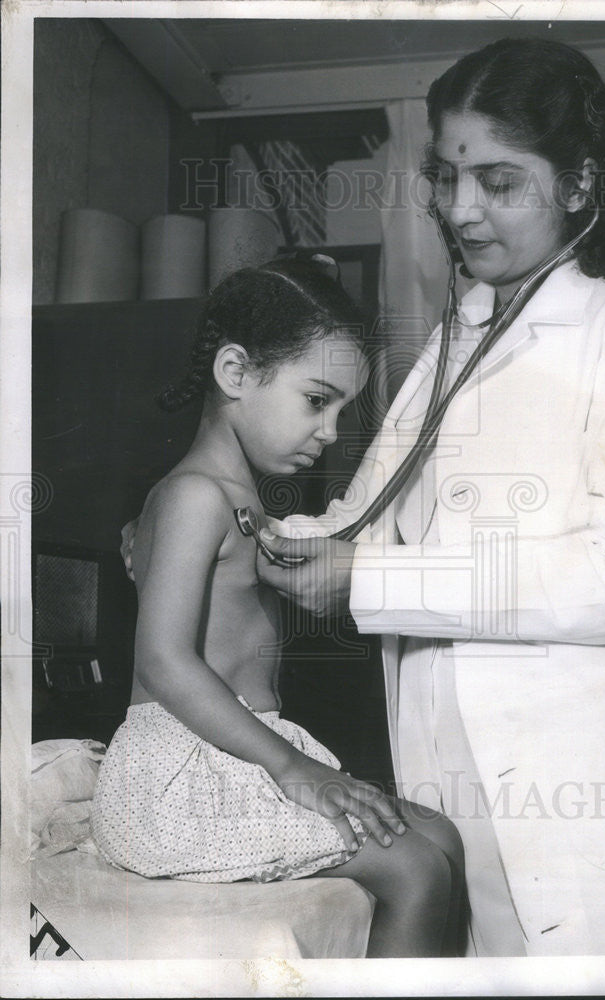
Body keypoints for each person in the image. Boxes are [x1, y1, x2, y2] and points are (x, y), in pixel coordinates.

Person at [248, 40, 605, 955]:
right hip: (465, 795)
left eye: (498, 181)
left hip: (604, 807)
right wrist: (240, 523)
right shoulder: (461, 335)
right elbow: (361, 518)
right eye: (448, 179)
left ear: (578, 183)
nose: (460, 211)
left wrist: (363, 581)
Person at [94, 258, 464, 959]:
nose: (328, 431)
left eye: (340, 411)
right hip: (174, 778)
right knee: (413, 867)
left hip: (239, 753)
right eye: (315, 400)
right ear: (235, 374)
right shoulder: (194, 495)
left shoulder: (246, 504)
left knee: (441, 835)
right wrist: (299, 772)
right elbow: (164, 662)